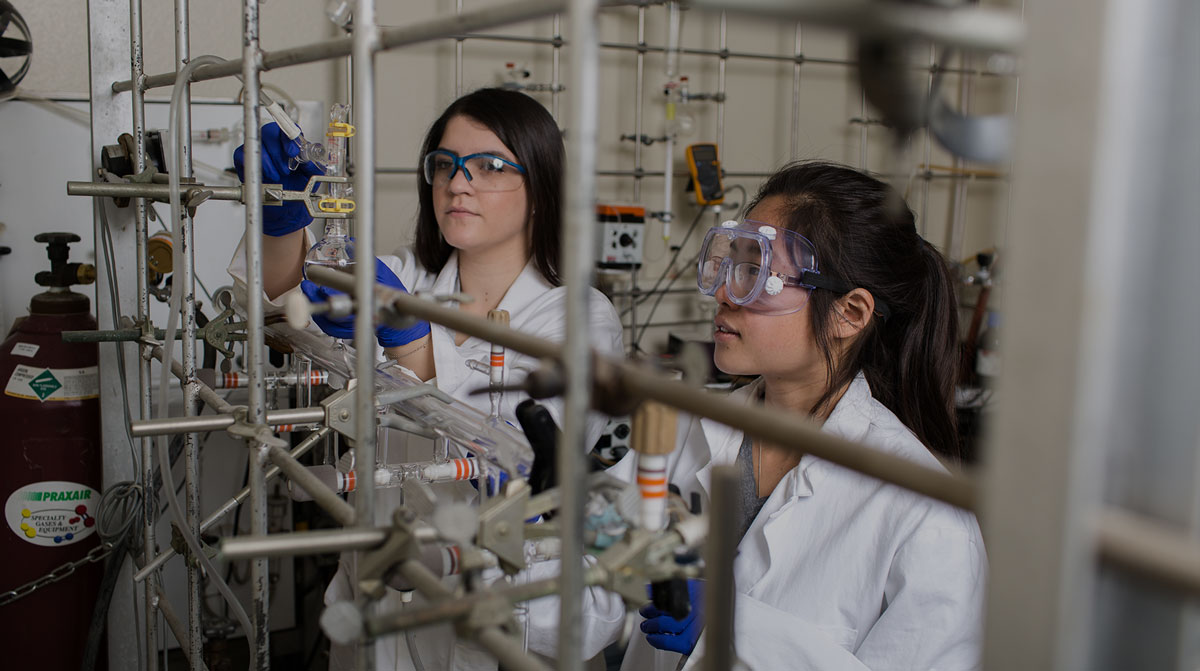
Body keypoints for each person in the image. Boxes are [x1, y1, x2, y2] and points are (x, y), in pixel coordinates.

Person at [228, 88, 627, 669]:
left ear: (540, 188)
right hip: (374, 608)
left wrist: (412, 341)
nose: (459, 183)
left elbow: (513, 451)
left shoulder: (581, 318)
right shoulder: (409, 275)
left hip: (480, 619)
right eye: (446, 165)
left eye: (490, 166)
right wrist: (281, 216)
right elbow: (281, 313)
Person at [619, 161, 986, 670]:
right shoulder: (685, 430)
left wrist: (740, 632)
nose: (724, 292)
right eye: (729, 264)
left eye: (756, 273)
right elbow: (599, 592)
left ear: (849, 314)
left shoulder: (926, 514)